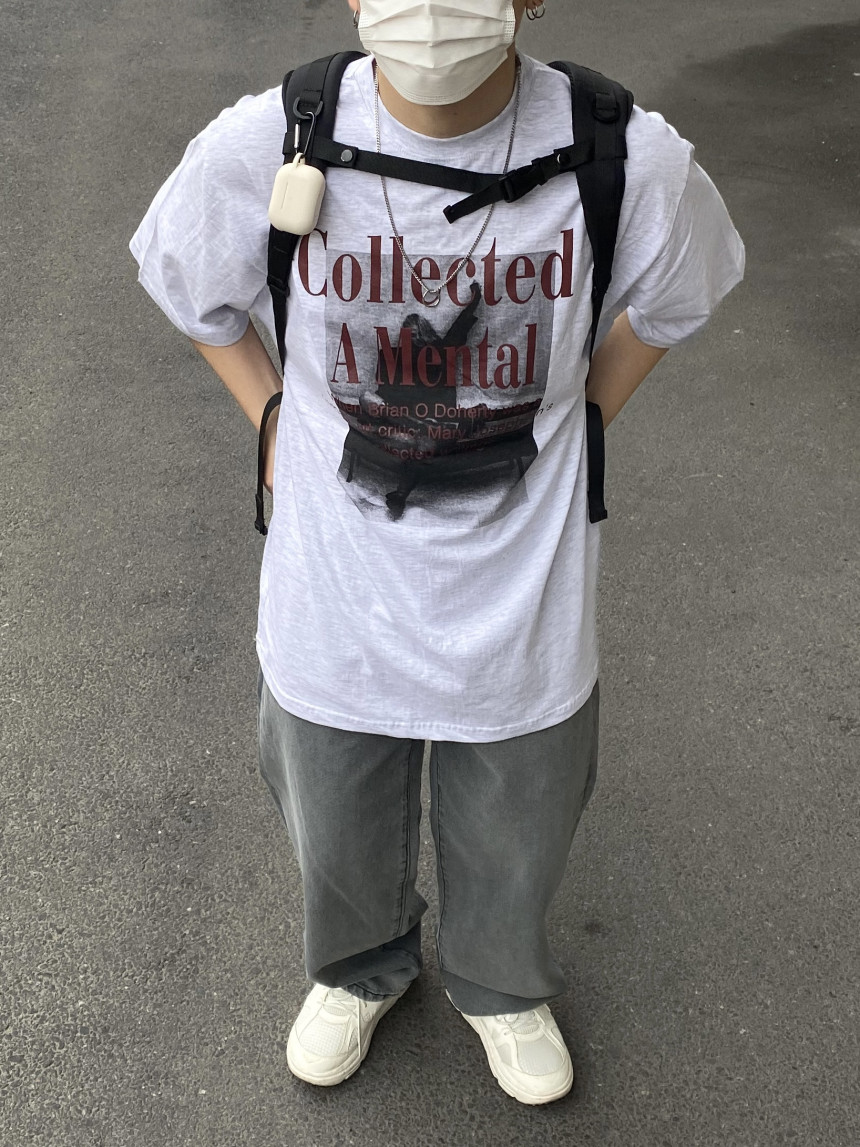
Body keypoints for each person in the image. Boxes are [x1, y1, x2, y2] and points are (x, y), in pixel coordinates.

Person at [130, 0, 744, 1106]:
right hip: (334, 585)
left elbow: (677, 298)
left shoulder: (619, 152)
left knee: (522, 810)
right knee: (333, 810)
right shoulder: (275, 139)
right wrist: (271, 417)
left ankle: (498, 982)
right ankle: (358, 967)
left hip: (522, 590)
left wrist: (579, 422)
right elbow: (188, 284)